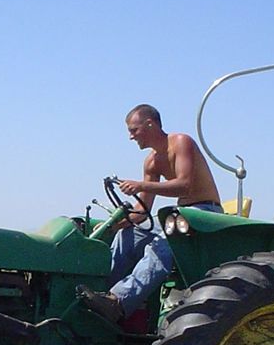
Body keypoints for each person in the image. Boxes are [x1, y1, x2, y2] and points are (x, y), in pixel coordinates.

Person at [79, 104, 223, 323]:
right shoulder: (151, 163)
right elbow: (142, 212)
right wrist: (113, 226)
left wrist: (140, 186)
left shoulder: (181, 142)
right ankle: (101, 296)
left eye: (134, 130)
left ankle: (119, 301)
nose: (131, 136)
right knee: (126, 237)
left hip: (204, 212)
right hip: (179, 214)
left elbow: (185, 185)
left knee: (163, 244)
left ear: (150, 124)